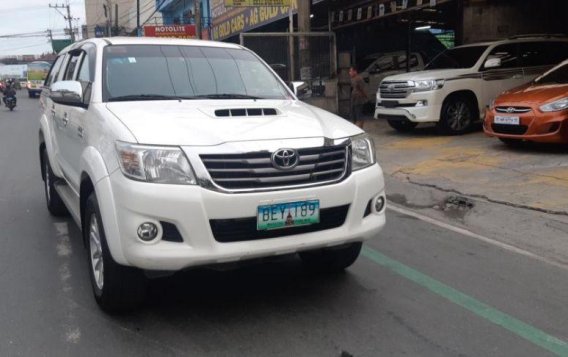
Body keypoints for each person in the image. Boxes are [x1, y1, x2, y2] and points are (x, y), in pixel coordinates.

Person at [349, 65, 369, 129]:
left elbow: (362, 89)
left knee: (359, 114)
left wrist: (365, 97)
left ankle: (360, 128)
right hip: (354, 98)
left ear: (355, 71)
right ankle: (354, 128)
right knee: (354, 114)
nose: (350, 73)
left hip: (359, 98)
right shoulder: (353, 79)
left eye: (351, 71)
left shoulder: (359, 79)